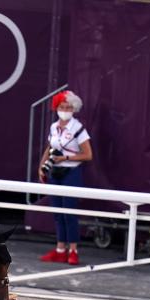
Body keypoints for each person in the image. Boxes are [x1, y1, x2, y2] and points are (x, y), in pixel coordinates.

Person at [38, 90, 93, 266]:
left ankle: (73, 250)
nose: (65, 109)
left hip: (71, 173)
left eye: (68, 107)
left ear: (74, 109)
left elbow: (88, 155)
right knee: (57, 213)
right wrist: (42, 165)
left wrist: (66, 158)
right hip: (55, 172)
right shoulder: (54, 127)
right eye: (62, 106)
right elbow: (50, 147)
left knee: (69, 213)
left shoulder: (78, 128)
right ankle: (60, 249)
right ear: (56, 108)